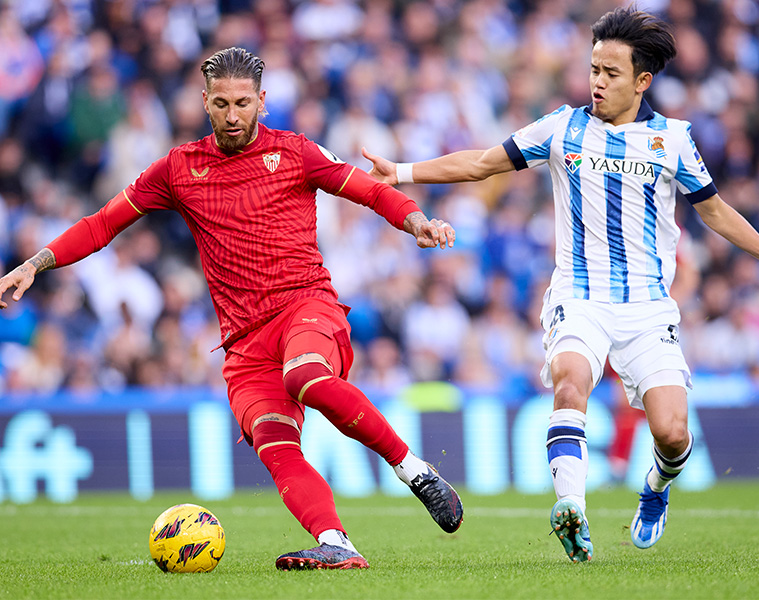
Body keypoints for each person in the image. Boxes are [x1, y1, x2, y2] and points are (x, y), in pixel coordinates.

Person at [364, 7, 759, 563]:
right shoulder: (562, 127)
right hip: (579, 296)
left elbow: (716, 212)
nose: (597, 82)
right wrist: (403, 172)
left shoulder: (672, 141)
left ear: (642, 80)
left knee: (673, 434)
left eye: (611, 72)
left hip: (649, 307)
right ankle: (571, 508)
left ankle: (655, 487)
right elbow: (482, 164)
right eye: (594, 68)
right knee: (570, 381)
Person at [0, 47, 463, 571]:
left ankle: (414, 471)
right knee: (276, 443)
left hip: (304, 306)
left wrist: (418, 221)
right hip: (243, 342)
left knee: (305, 376)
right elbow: (102, 223)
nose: (233, 115)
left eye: (243, 102)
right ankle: (337, 543)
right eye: (221, 103)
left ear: (263, 101)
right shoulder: (178, 168)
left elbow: (369, 191)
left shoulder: (296, 152)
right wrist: (36, 264)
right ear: (204, 102)